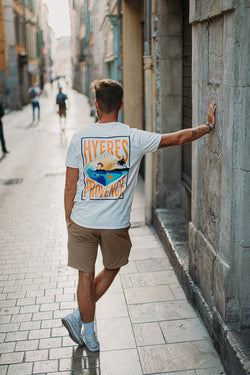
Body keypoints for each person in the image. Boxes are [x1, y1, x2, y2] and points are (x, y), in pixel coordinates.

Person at [62, 79, 216, 352]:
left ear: (96, 105)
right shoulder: (134, 138)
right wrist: (207, 127)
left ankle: (85, 326)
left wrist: (68, 219)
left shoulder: (79, 138)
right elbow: (177, 138)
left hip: (82, 219)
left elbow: (70, 185)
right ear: (121, 105)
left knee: (84, 277)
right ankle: (86, 327)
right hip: (114, 223)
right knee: (112, 267)